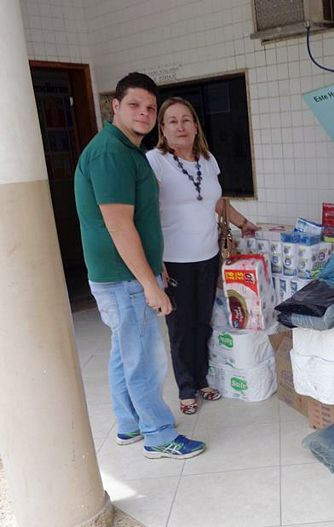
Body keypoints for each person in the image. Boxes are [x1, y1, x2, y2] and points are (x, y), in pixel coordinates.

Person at [74, 73, 206, 459]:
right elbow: (118, 224)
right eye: (134, 105)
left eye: (150, 107)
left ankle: (130, 425)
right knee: (144, 359)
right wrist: (149, 282)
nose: (144, 113)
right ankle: (158, 434)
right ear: (114, 106)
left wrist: (153, 265)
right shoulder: (110, 153)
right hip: (124, 278)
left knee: (124, 351)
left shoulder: (126, 149)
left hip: (125, 274)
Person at [146, 97, 256, 414]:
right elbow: (146, 213)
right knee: (180, 326)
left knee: (202, 322)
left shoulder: (208, 161)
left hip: (208, 255)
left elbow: (218, 203)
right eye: (172, 121)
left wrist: (245, 224)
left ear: (195, 125)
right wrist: (156, 261)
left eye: (186, 120)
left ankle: (202, 378)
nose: (180, 126)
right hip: (173, 260)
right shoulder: (154, 161)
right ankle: (185, 387)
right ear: (163, 129)